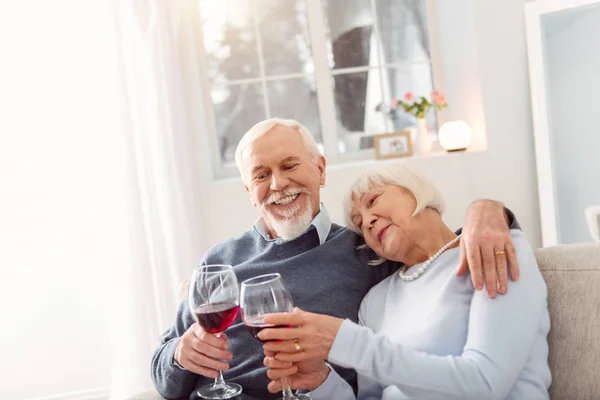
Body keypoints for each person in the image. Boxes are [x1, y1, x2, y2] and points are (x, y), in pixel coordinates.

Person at [151, 119, 522, 400]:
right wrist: (179, 356)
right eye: (262, 175)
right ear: (250, 191)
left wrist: (490, 210)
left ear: (321, 170)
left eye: (290, 165)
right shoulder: (220, 260)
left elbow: (436, 251)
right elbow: (163, 372)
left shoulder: (366, 251)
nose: (278, 184)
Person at [259, 164, 551, 399]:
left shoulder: (492, 247)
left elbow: (486, 383)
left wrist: (345, 340)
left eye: (373, 201)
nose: (369, 221)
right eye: (360, 224)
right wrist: (321, 382)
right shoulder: (376, 300)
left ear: (415, 191)